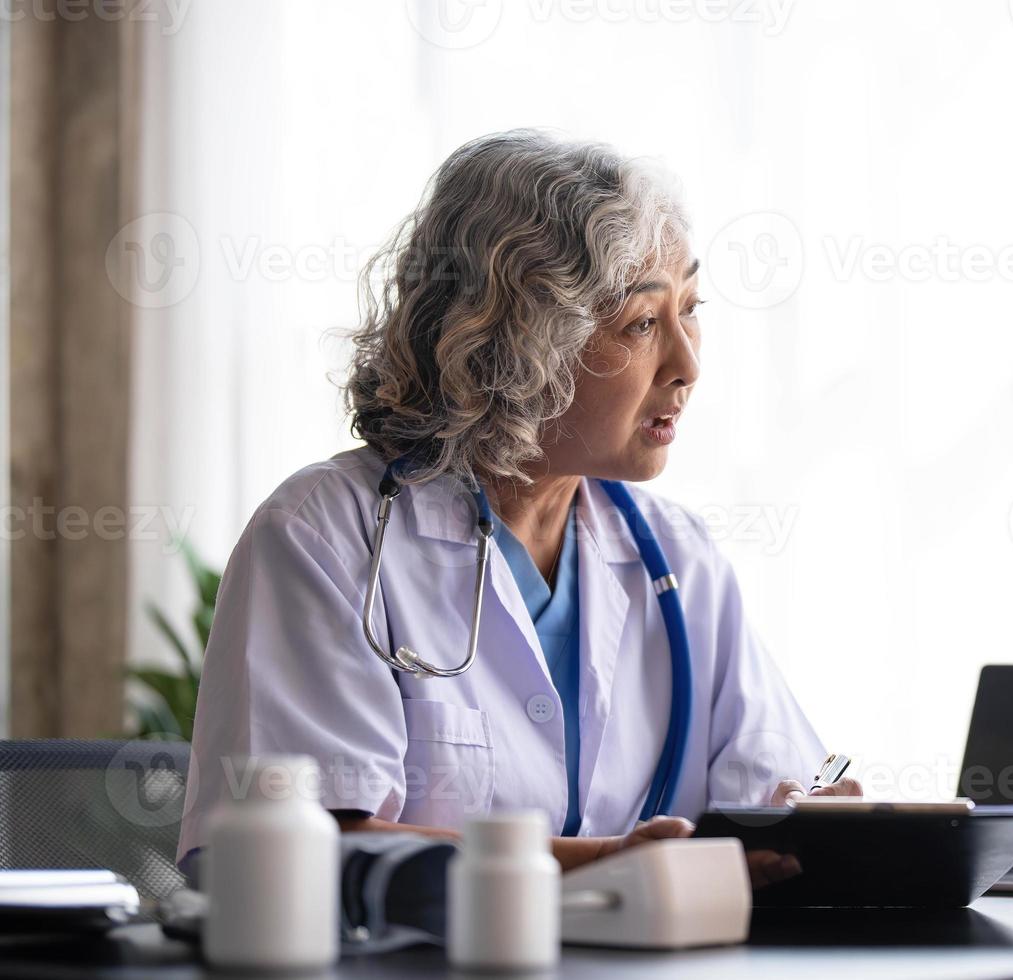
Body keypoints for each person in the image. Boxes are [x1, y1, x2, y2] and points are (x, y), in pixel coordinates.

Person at [179, 130, 858, 880]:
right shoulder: (325, 536)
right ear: (521, 339)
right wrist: (600, 864)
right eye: (642, 323)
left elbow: (777, 786)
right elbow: (296, 852)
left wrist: (815, 816)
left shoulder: (677, 556)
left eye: (691, 309)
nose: (688, 364)